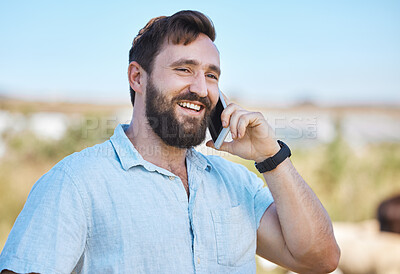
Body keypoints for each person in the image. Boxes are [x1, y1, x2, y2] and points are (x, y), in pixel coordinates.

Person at [0, 10, 340, 274]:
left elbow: (320, 259)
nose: (202, 88)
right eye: (184, 69)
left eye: (211, 75)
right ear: (137, 77)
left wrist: (271, 157)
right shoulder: (76, 183)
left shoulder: (236, 183)